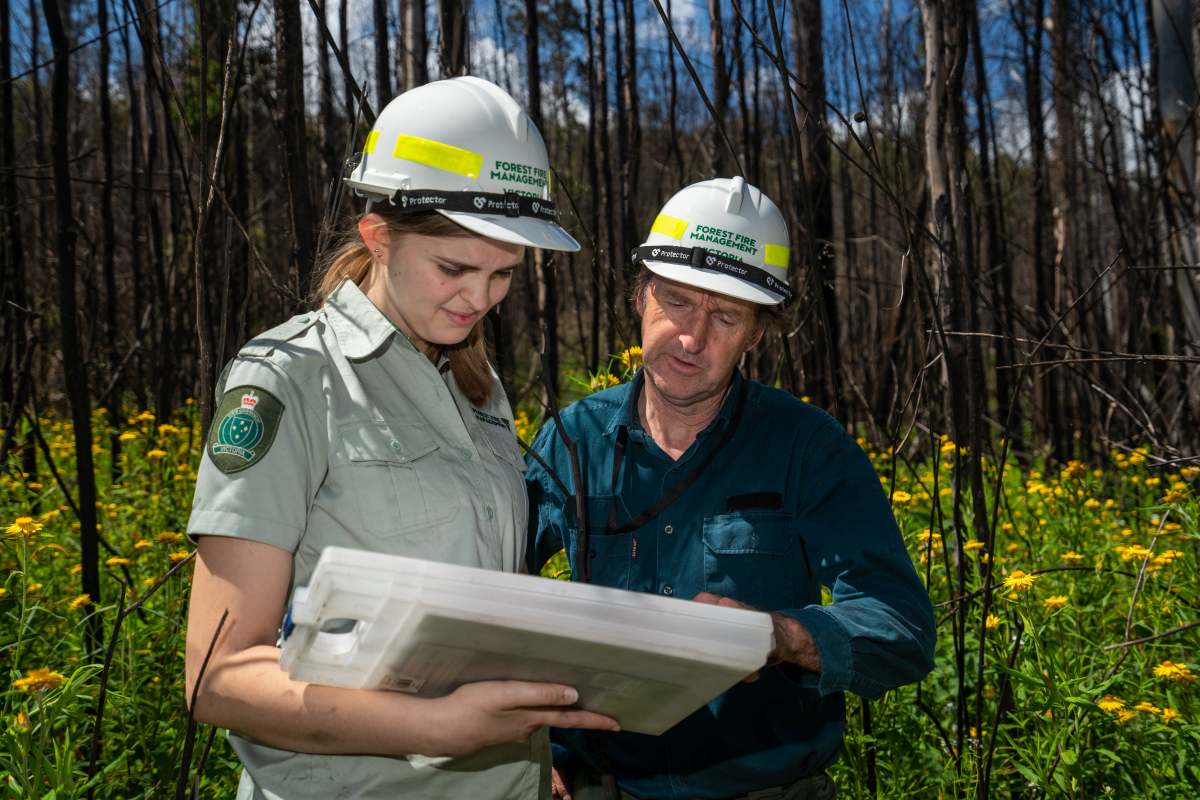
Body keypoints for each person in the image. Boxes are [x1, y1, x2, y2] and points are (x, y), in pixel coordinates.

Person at [184, 76, 618, 800]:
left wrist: (523, 753)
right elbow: (218, 678)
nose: (479, 300)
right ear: (378, 237)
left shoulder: (478, 392)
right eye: (453, 268)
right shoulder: (290, 380)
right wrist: (437, 729)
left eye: (504, 274)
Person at [525, 177, 936, 800]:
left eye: (725, 316)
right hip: (599, 783)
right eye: (677, 302)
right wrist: (522, 740)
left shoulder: (807, 448)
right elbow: (484, 587)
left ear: (757, 333)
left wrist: (781, 636)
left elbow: (901, 627)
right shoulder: (572, 440)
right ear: (641, 296)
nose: (692, 339)